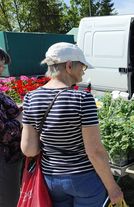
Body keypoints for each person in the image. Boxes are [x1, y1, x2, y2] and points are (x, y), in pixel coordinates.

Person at [21, 42, 124, 207]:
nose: (83, 71)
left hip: (50, 179)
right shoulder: (82, 99)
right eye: (82, 67)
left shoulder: (30, 98)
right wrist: (113, 188)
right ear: (69, 66)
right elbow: (95, 152)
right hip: (83, 179)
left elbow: (29, 149)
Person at [0, 48, 22, 206]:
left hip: (8, 158)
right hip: (4, 159)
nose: (2, 68)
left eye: (2, 65)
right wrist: (20, 121)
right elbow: (4, 132)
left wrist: (19, 107)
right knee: (8, 200)